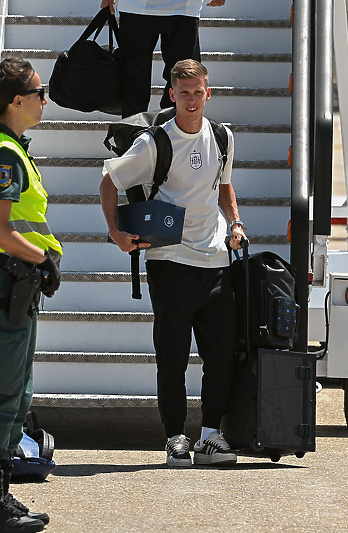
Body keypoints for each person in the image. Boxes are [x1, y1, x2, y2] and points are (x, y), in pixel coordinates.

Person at [100, 59, 246, 466]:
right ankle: (176, 437)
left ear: (208, 92)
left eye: (199, 92)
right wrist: (115, 232)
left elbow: (225, 185)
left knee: (220, 356)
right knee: (173, 358)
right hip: (171, 261)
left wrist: (235, 222)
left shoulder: (222, 136)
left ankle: (212, 436)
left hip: (217, 259)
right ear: (171, 95)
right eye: (184, 93)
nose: (192, 100)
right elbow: (109, 182)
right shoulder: (154, 143)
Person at [0, 57, 62, 533]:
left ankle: (1, 495)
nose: (46, 100)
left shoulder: (11, 147)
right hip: (4, 283)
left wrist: (39, 264)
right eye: (39, 93)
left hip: (15, 285)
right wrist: (41, 260)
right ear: (17, 102)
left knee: (17, 396)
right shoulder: (3, 155)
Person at [100, 0, 227, 117]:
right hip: (136, 8)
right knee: (133, 78)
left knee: (184, 77)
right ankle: (133, 137)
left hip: (184, 8)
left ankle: (172, 134)